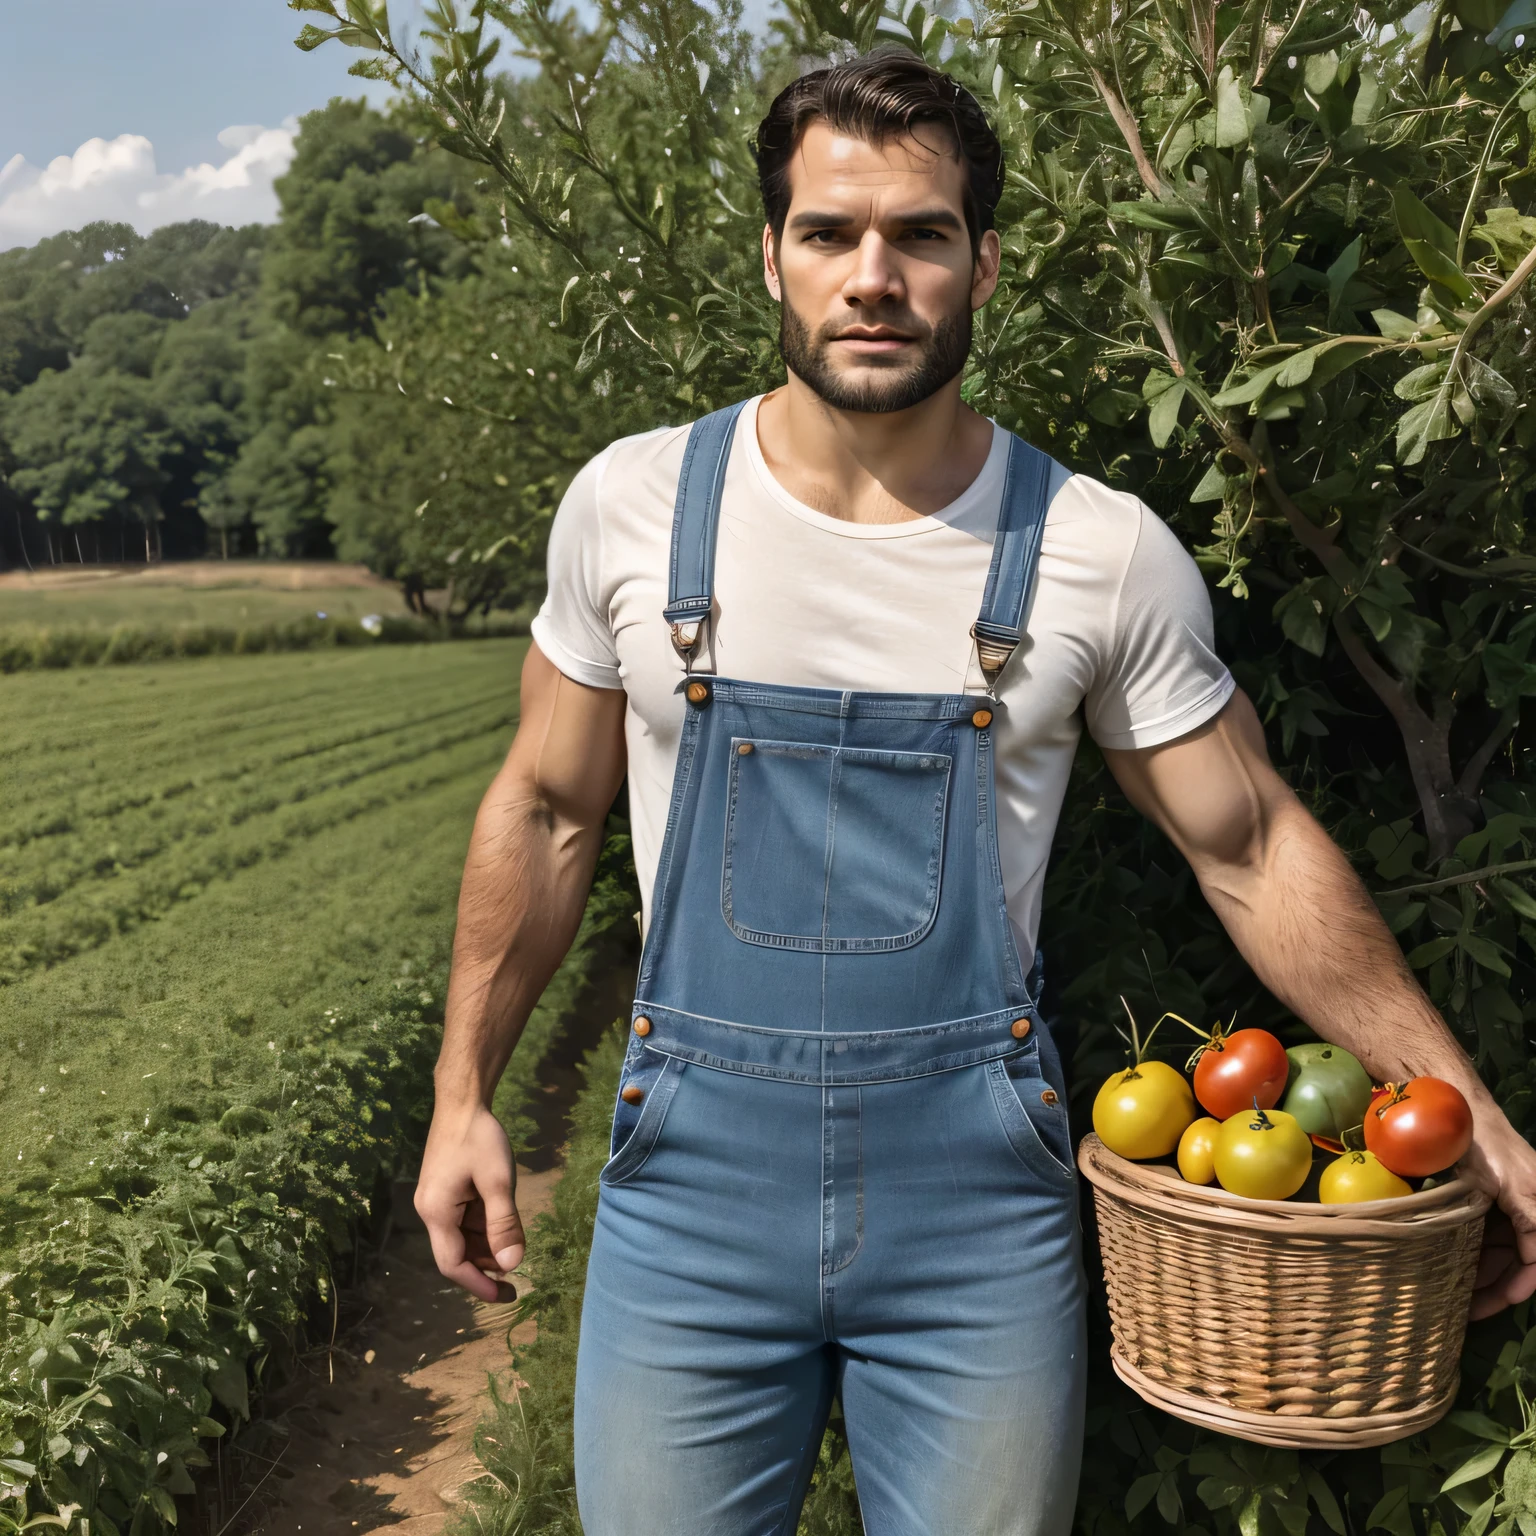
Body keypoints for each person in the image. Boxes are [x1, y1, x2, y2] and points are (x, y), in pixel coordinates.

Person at [413, 48, 1536, 1536]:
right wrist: (460, 1097)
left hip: (974, 1216)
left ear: (983, 262)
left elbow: (1254, 847)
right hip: (689, 1201)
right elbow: (547, 814)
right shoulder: (631, 506)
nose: (872, 276)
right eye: (829, 233)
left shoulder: (1095, 548)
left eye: (920, 235)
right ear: (771, 257)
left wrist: (1471, 1111)